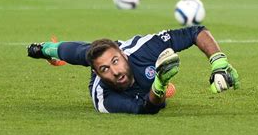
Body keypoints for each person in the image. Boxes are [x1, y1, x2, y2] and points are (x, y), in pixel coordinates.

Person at [27, 26, 239, 114]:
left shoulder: (143, 49)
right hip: (140, 90)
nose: (115, 71)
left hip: (130, 55)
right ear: (98, 74)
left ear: (124, 55)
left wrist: (218, 62)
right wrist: (160, 85)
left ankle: (47, 48)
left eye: (116, 61)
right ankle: (47, 50)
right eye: (105, 69)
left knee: (81, 50)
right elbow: (146, 108)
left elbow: (196, 32)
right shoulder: (104, 97)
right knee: (84, 54)